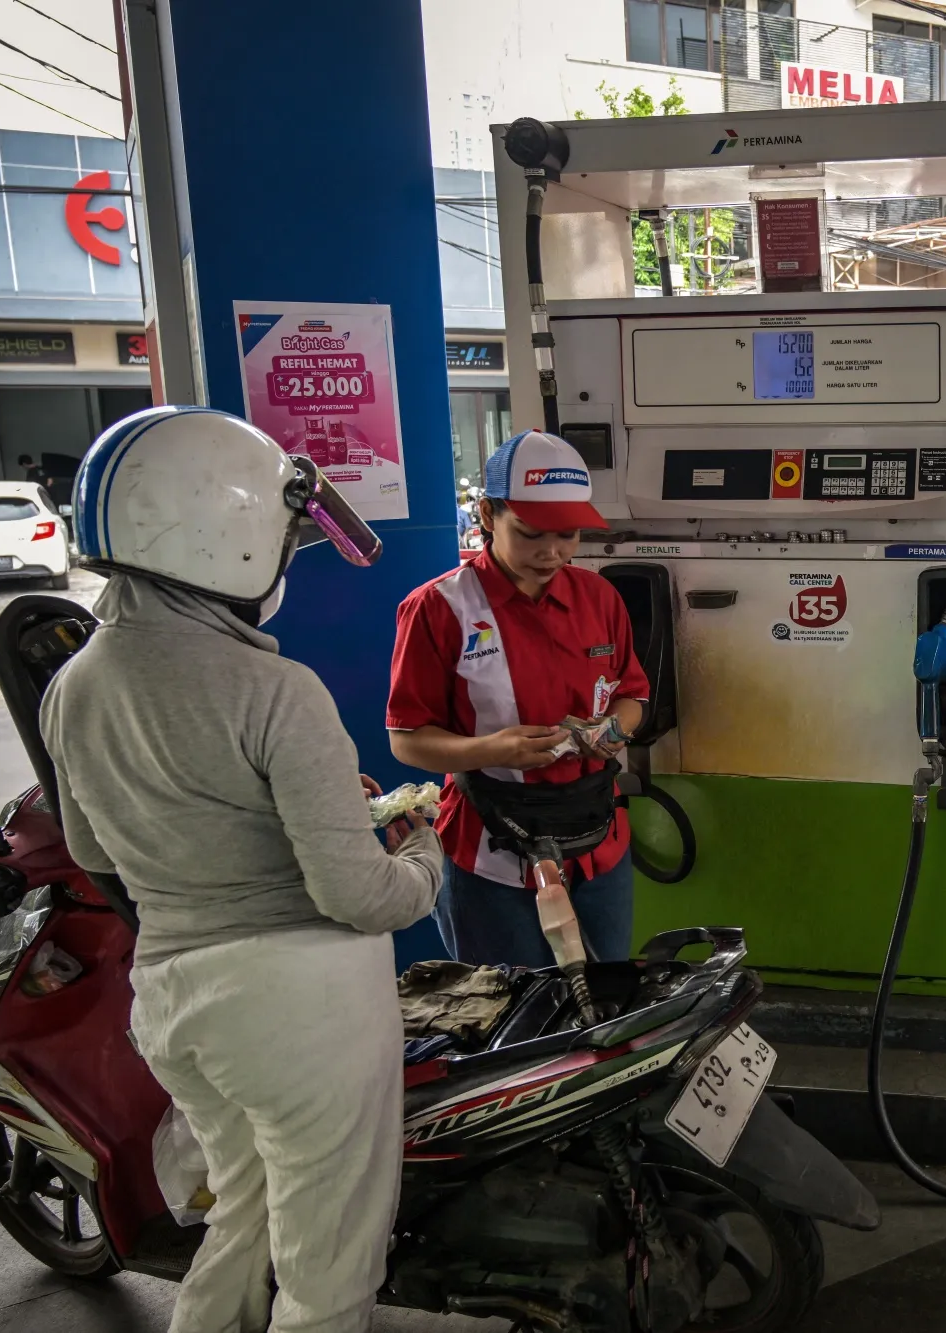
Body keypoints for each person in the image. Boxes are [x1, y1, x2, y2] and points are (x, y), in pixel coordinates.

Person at [41, 405, 443, 1333]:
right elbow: (356, 894)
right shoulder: (275, 688)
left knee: (248, 1213)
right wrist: (422, 852)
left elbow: (98, 854)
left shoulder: (75, 687)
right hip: (300, 1011)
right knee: (327, 1269)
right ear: (226, 535)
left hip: (176, 1004)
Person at [388, 429, 649, 967]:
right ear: (487, 514)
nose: (552, 552)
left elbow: (632, 695)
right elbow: (408, 739)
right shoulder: (439, 609)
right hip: (491, 851)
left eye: (568, 535)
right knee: (511, 1018)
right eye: (530, 534)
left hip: (598, 842)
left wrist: (611, 733)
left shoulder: (599, 597)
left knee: (606, 1007)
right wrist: (493, 750)